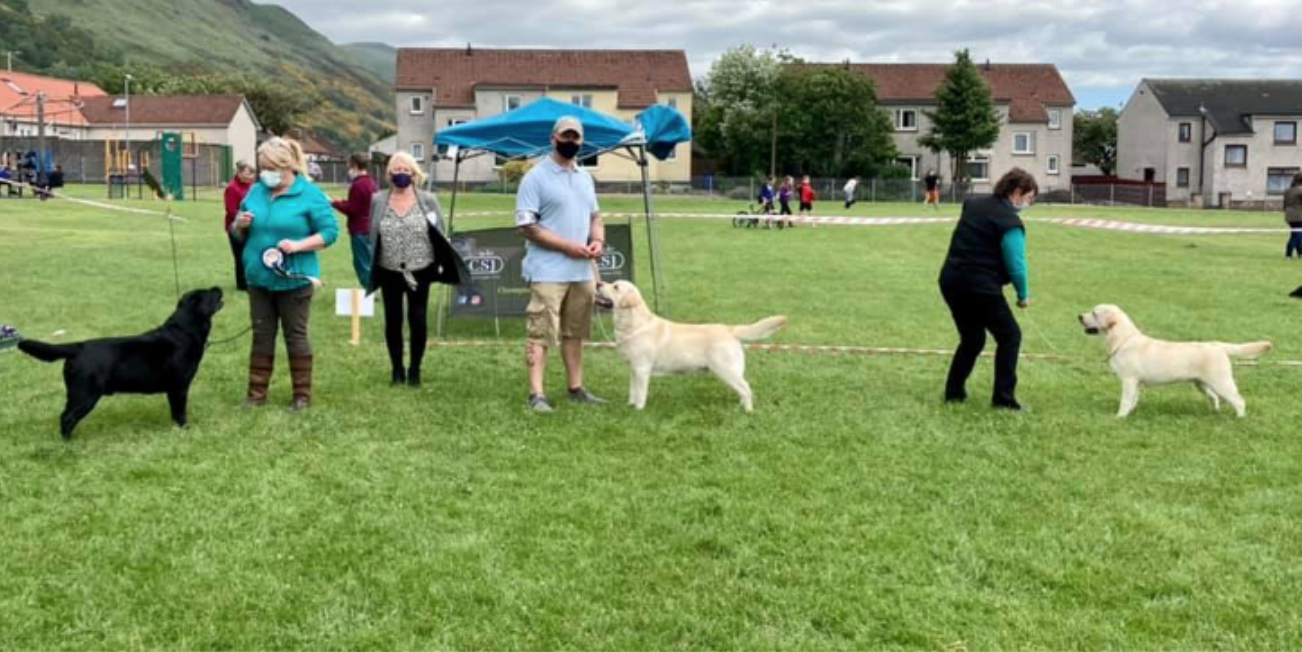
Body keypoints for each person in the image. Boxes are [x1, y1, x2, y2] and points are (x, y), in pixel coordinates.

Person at [230, 137, 339, 412]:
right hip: (258, 278)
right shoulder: (255, 192)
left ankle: (301, 395)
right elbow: (237, 231)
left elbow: (330, 233)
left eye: (270, 167)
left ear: (287, 165)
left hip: (295, 278)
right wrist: (239, 223)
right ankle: (256, 394)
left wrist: (298, 245)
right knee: (261, 334)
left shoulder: (310, 194)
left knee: (295, 335)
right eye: (262, 167)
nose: (265, 173)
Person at [516, 115, 607, 413]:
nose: (571, 142)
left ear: (582, 142)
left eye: (576, 138)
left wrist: (598, 241)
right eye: (565, 137)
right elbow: (527, 225)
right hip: (547, 271)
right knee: (540, 332)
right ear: (553, 138)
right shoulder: (535, 177)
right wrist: (568, 247)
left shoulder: (585, 177)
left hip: (582, 271)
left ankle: (576, 387)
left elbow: (595, 216)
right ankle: (537, 394)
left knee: (576, 332)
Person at [938, 167, 1038, 412]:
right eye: (1029, 198)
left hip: (951, 281)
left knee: (972, 339)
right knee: (1010, 336)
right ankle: (1004, 400)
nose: (1028, 203)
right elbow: (1016, 265)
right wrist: (1023, 295)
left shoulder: (972, 204)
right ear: (1016, 192)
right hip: (980, 287)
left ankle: (954, 393)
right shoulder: (1011, 223)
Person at [365, 151, 469, 387]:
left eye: (406, 170)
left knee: (418, 319)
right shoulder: (378, 199)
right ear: (389, 174)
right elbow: (372, 232)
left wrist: (442, 265)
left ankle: (414, 369)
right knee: (392, 321)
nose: (401, 174)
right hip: (389, 269)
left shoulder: (428, 200)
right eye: (396, 170)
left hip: (421, 268)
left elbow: (440, 233)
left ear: (414, 174)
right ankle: (396, 369)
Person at [331, 152, 378, 287]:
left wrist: (333, 203)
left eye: (349, 166)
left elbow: (352, 209)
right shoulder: (371, 182)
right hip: (370, 227)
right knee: (368, 261)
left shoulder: (358, 185)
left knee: (362, 263)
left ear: (355, 166)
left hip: (360, 229)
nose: (348, 169)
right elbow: (359, 204)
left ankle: (369, 291)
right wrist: (341, 202)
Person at [223, 161, 256, 291]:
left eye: (252, 174)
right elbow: (231, 210)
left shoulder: (252, 186)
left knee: (250, 254)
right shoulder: (232, 188)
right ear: (239, 172)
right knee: (240, 255)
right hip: (236, 227)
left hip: (250, 225)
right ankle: (242, 285)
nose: (250, 177)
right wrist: (244, 217)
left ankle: (251, 280)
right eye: (248, 173)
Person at [1284, 172, 1302, 259]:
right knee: (1297, 235)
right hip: (1299, 216)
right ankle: (1288, 253)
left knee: (1296, 234)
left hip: (1289, 216)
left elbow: (1284, 205)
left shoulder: (1287, 190)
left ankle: (1300, 253)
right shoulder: (1301, 190)